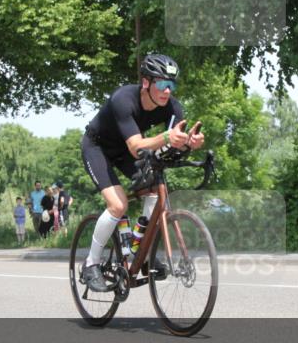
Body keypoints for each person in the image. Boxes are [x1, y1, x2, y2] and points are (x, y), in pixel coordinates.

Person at [79, 54, 205, 291]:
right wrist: (166, 137)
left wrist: (189, 142)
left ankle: (141, 252)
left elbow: (170, 146)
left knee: (156, 194)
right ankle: (91, 263)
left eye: (171, 85)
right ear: (146, 82)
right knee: (118, 205)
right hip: (98, 148)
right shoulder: (123, 99)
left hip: (129, 152)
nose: (167, 91)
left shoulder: (173, 108)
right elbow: (137, 146)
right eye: (161, 84)